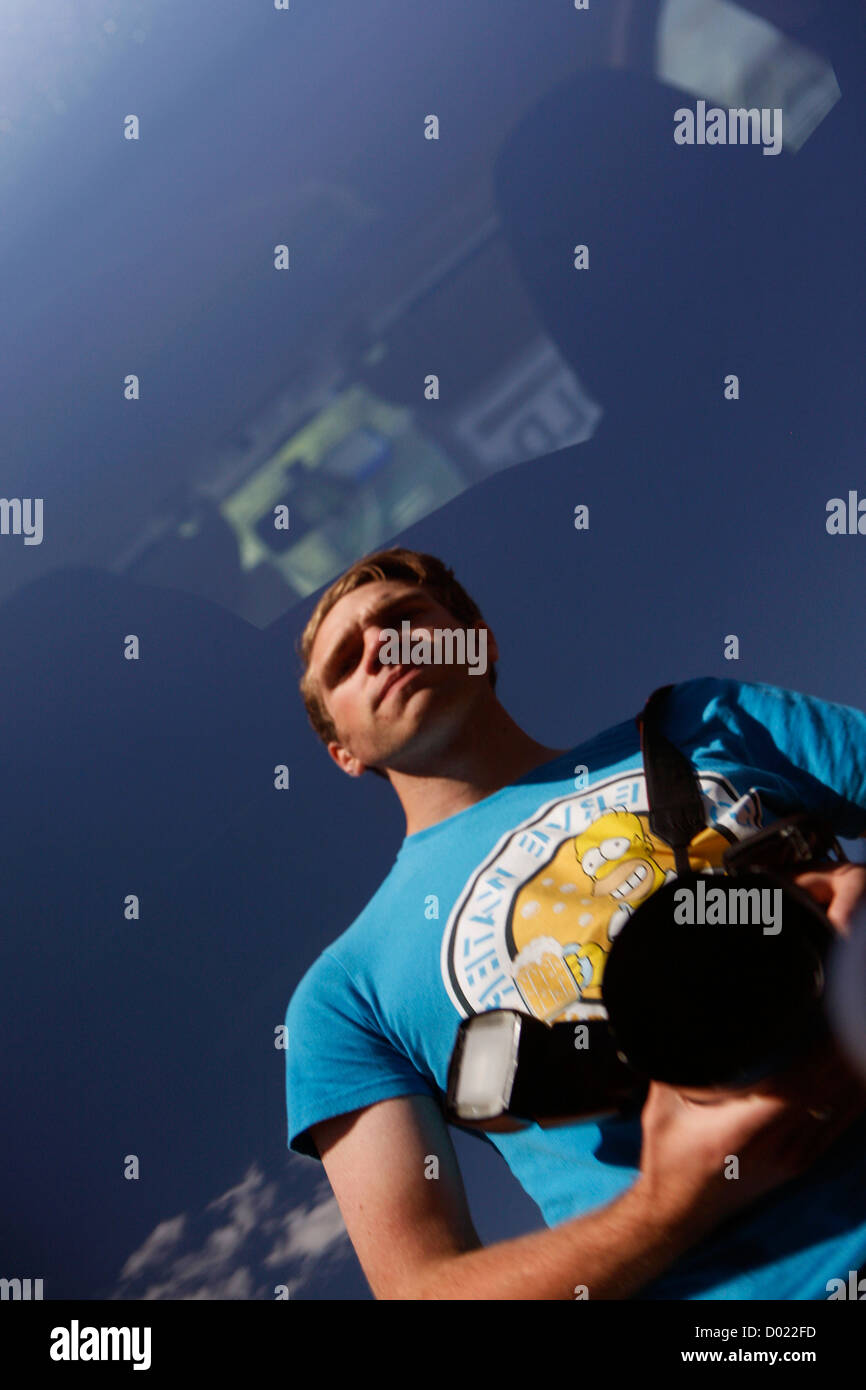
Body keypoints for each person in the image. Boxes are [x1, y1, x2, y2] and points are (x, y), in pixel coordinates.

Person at [284, 545, 866, 1300]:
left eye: (404, 619)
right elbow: (421, 1290)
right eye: (345, 662)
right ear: (342, 752)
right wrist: (668, 1207)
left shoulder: (707, 719)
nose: (381, 650)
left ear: (480, 643)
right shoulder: (342, 995)